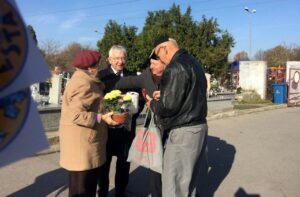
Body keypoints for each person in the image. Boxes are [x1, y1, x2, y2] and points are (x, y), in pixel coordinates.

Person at [146, 35, 208, 197]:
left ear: (164, 49)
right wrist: (166, 93)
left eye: (159, 56)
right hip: (198, 128)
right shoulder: (194, 62)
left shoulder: (175, 67)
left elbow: (167, 108)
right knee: (187, 184)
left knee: (174, 187)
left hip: (183, 134)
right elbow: (190, 94)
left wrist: (152, 103)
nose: (162, 60)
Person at [59, 50, 118, 196]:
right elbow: (76, 114)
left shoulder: (80, 78)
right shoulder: (84, 83)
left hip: (81, 143)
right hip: (83, 145)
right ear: (91, 67)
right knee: (83, 188)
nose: (98, 68)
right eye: (97, 65)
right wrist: (101, 118)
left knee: (81, 186)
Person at [98, 45, 144, 197]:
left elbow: (141, 100)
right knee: (103, 166)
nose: (120, 61)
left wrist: (133, 113)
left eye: (123, 58)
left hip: (126, 129)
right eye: (116, 58)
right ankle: (103, 192)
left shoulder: (132, 76)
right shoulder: (101, 76)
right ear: (109, 59)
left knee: (124, 165)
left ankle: (120, 192)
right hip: (106, 130)